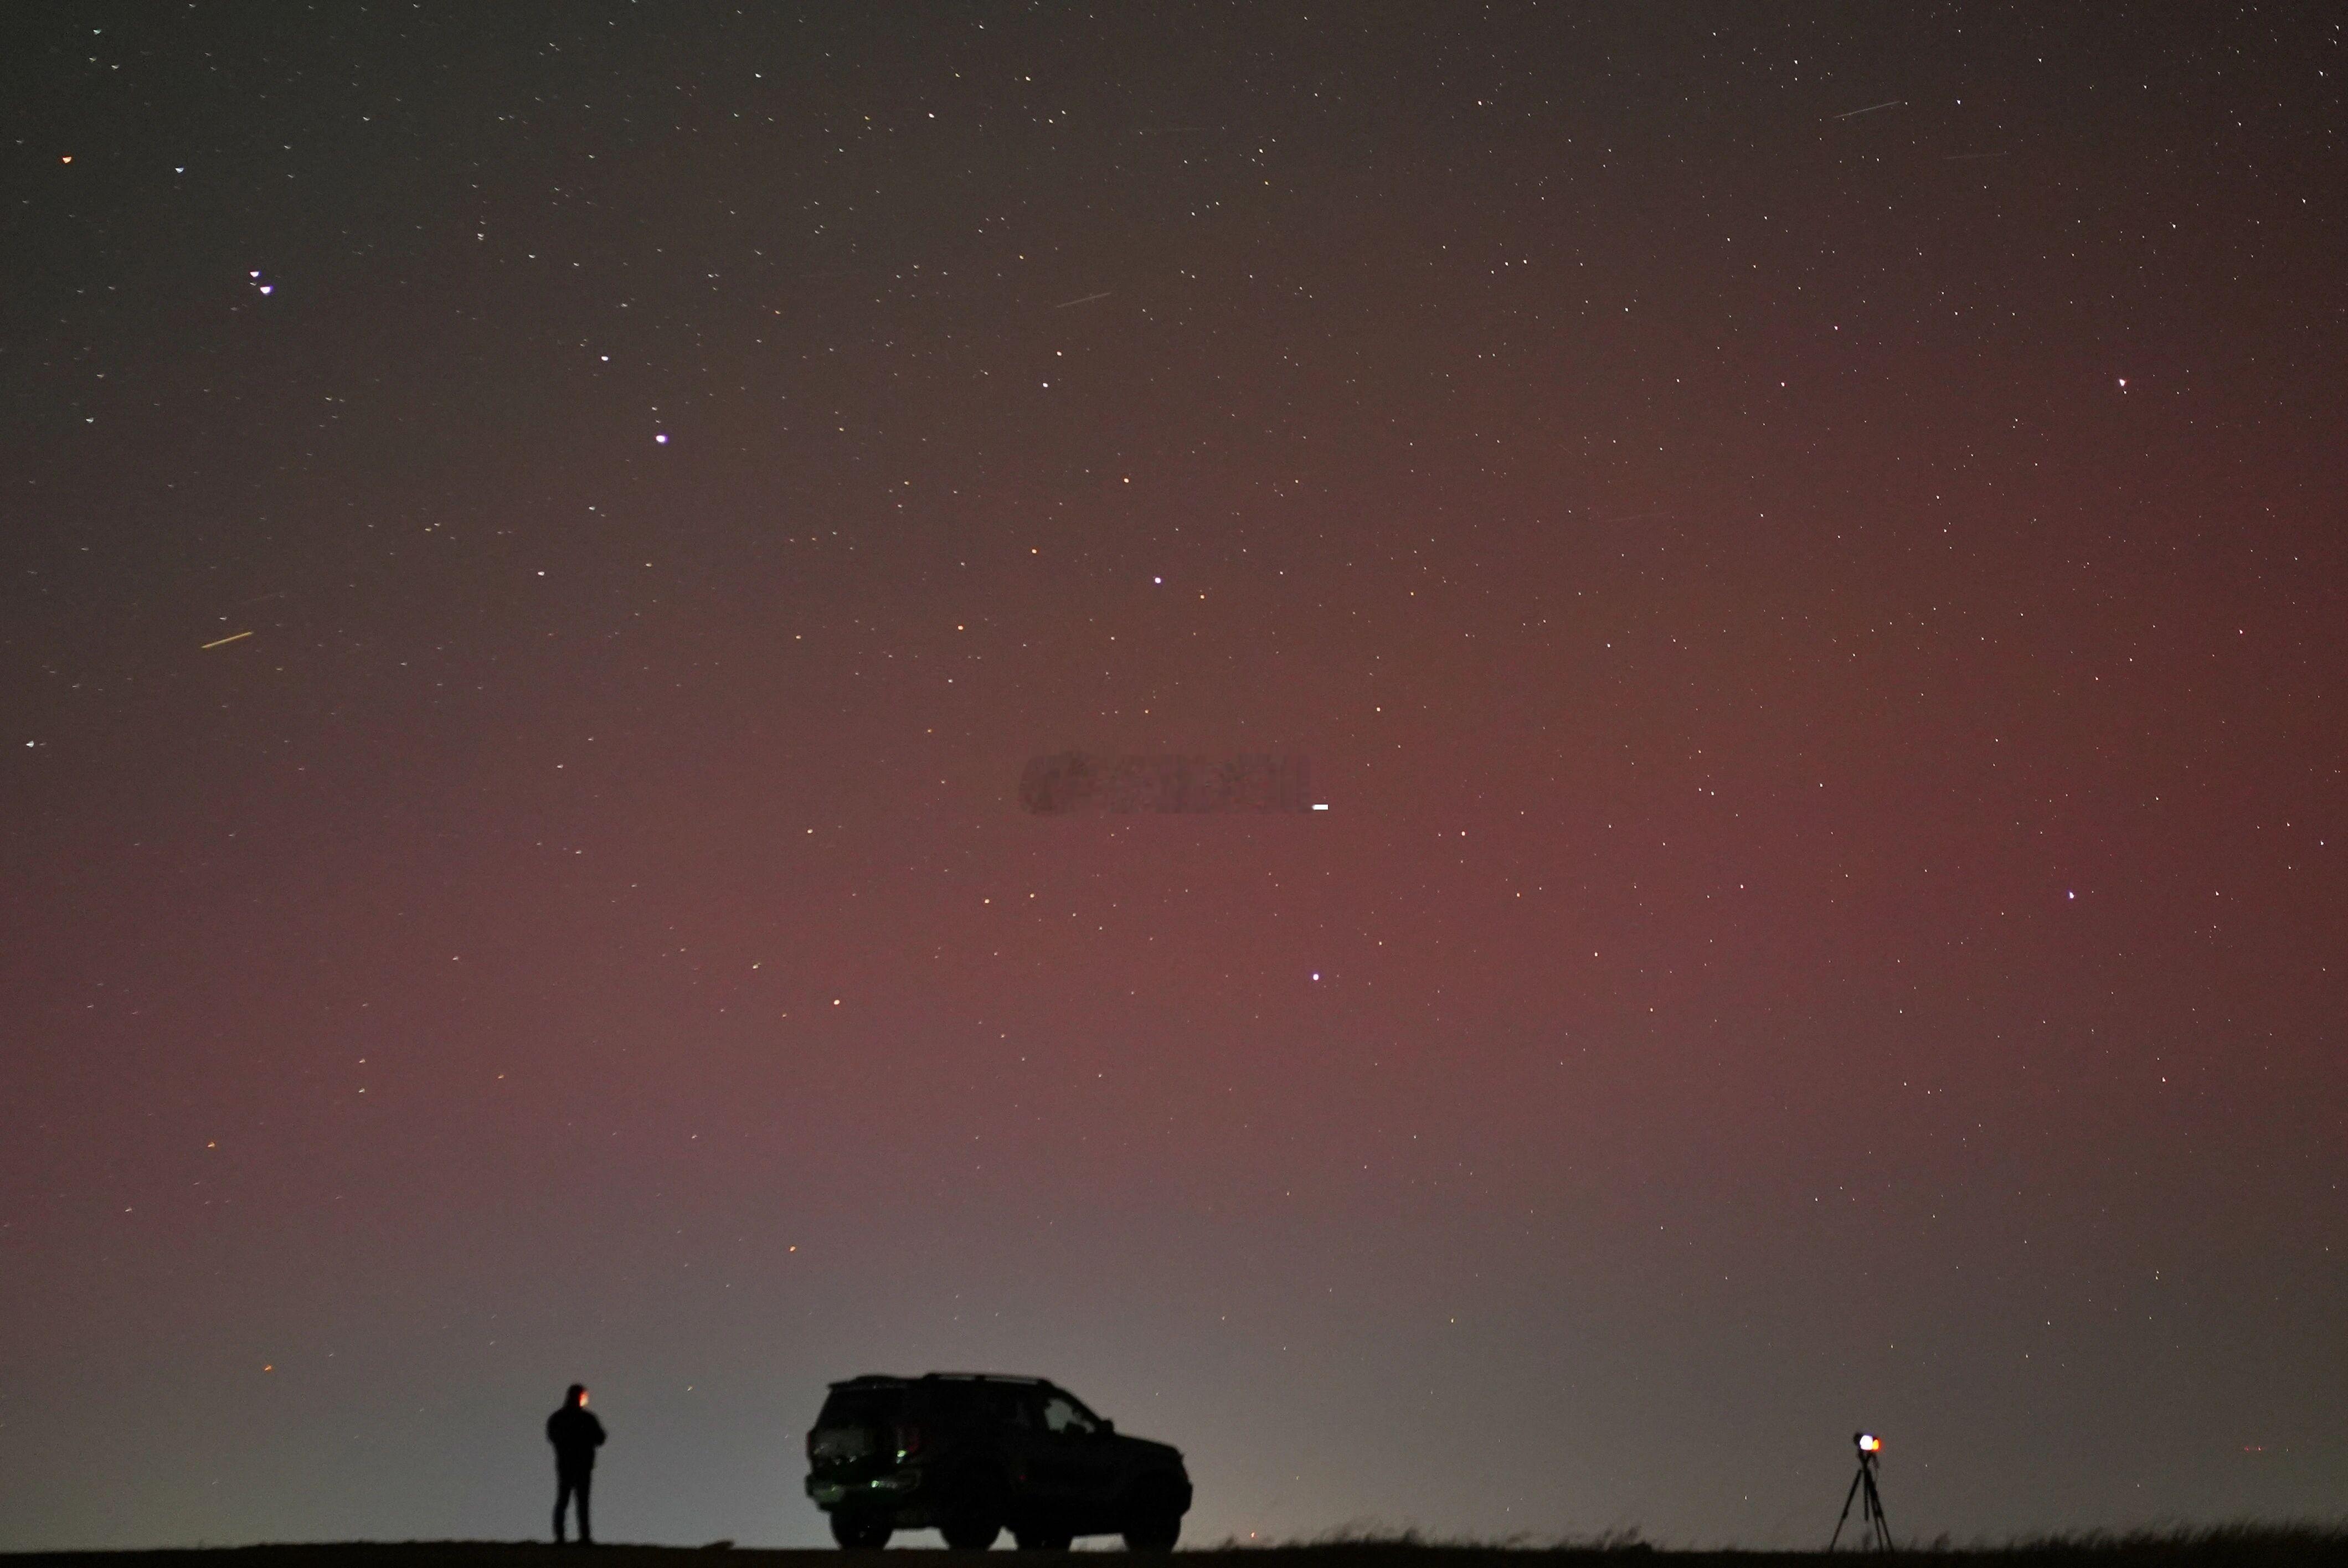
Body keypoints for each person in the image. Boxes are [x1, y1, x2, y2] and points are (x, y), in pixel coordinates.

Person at [546, 1384, 607, 1545]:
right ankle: (583, 1537)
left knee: (564, 1501)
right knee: (581, 1502)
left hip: (566, 1465)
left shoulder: (558, 1418)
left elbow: (552, 1437)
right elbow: (601, 1438)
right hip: (581, 1466)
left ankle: (561, 1538)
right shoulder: (587, 1419)